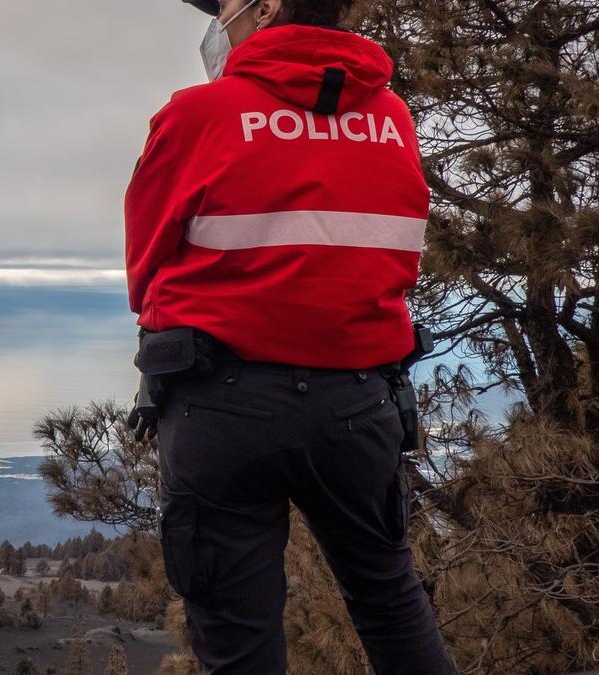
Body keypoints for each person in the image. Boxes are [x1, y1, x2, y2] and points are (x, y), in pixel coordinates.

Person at [123, 0, 459, 673]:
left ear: (267, 4)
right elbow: (397, 262)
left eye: (225, 6)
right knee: (390, 600)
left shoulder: (196, 116)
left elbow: (145, 265)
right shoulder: (393, 121)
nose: (221, 19)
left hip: (222, 410)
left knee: (238, 640)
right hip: (359, 406)